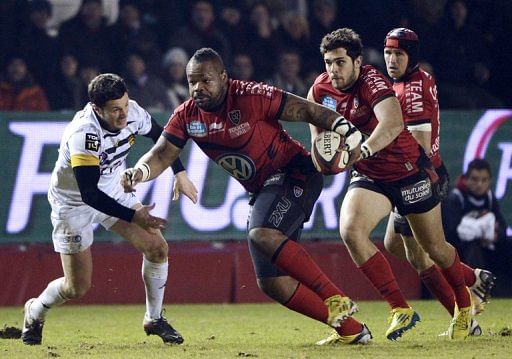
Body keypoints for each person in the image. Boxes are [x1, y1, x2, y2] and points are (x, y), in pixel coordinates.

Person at [122, 47, 372, 345]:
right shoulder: (188, 114)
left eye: (206, 80)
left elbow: (305, 109)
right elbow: (162, 153)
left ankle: (336, 299)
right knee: (272, 283)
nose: (198, 88)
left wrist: (348, 131)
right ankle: (352, 329)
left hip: (295, 174)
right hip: (264, 189)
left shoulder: (251, 96)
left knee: (262, 233)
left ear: (224, 78)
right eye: (192, 82)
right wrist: (138, 171)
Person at [308, 28, 472, 341]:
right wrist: (319, 145)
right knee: (351, 231)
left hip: (408, 171)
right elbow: (311, 109)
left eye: (340, 62)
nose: (333, 69)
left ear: (357, 62)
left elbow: (393, 123)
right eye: (328, 62)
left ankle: (464, 307)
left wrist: (363, 149)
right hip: (371, 175)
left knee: (434, 249)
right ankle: (399, 308)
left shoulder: (374, 82)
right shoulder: (322, 85)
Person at [21, 73, 198, 346]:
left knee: (158, 248)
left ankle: (154, 318)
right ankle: (35, 311)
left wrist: (179, 173)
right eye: (115, 110)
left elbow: (163, 139)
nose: (123, 115)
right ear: (96, 108)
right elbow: (89, 193)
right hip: (74, 203)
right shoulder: (84, 134)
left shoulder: (132, 112)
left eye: (125, 106)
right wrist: (134, 215)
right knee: (76, 287)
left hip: (114, 189)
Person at [381, 28, 496, 335]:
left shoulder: (413, 90)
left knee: (430, 251)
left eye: (399, 54)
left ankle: (465, 310)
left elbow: (417, 144)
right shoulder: (413, 80)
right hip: (414, 174)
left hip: (418, 177)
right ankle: (473, 280)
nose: (392, 60)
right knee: (397, 244)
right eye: (388, 53)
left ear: (412, 56)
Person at [443, 159, 507, 272]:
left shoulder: (490, 198)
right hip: (460, 254)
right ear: (466, 179)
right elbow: (450, 233)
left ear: (490, 181)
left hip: (486, 250)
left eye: (484, 180)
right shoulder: (456, 198)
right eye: (475, 179)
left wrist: (496, 234)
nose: (479, 184)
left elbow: (502, 228)